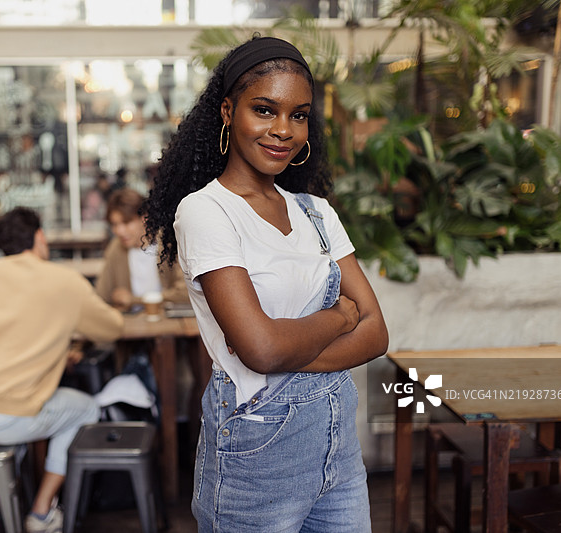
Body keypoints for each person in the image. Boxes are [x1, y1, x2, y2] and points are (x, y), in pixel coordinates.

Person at [144, 36, 389, 532]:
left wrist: (283, 345)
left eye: (298, 115)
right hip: (257, 449)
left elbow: (377, 334)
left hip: (337, 451)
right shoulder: (206, 211)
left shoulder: (316, 213)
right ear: (229, 111)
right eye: (265, 109)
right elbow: (259, 351)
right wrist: (341, 317)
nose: (284, 130)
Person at [0, 207, 124, 533]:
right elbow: (111, 329)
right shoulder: (65, 281)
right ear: (39, 237)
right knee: (86, 408)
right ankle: (41, 512)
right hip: (10, 419)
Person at [95, 188, 188, 311]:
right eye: (114, 224)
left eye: (127, 222)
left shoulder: (168, 243)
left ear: (144, 218)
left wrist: (134, 300)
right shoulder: (116, 248)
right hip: (133, 324)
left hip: (167, 321)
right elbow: (101, 296)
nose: (119, 231)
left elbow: (184, 293)